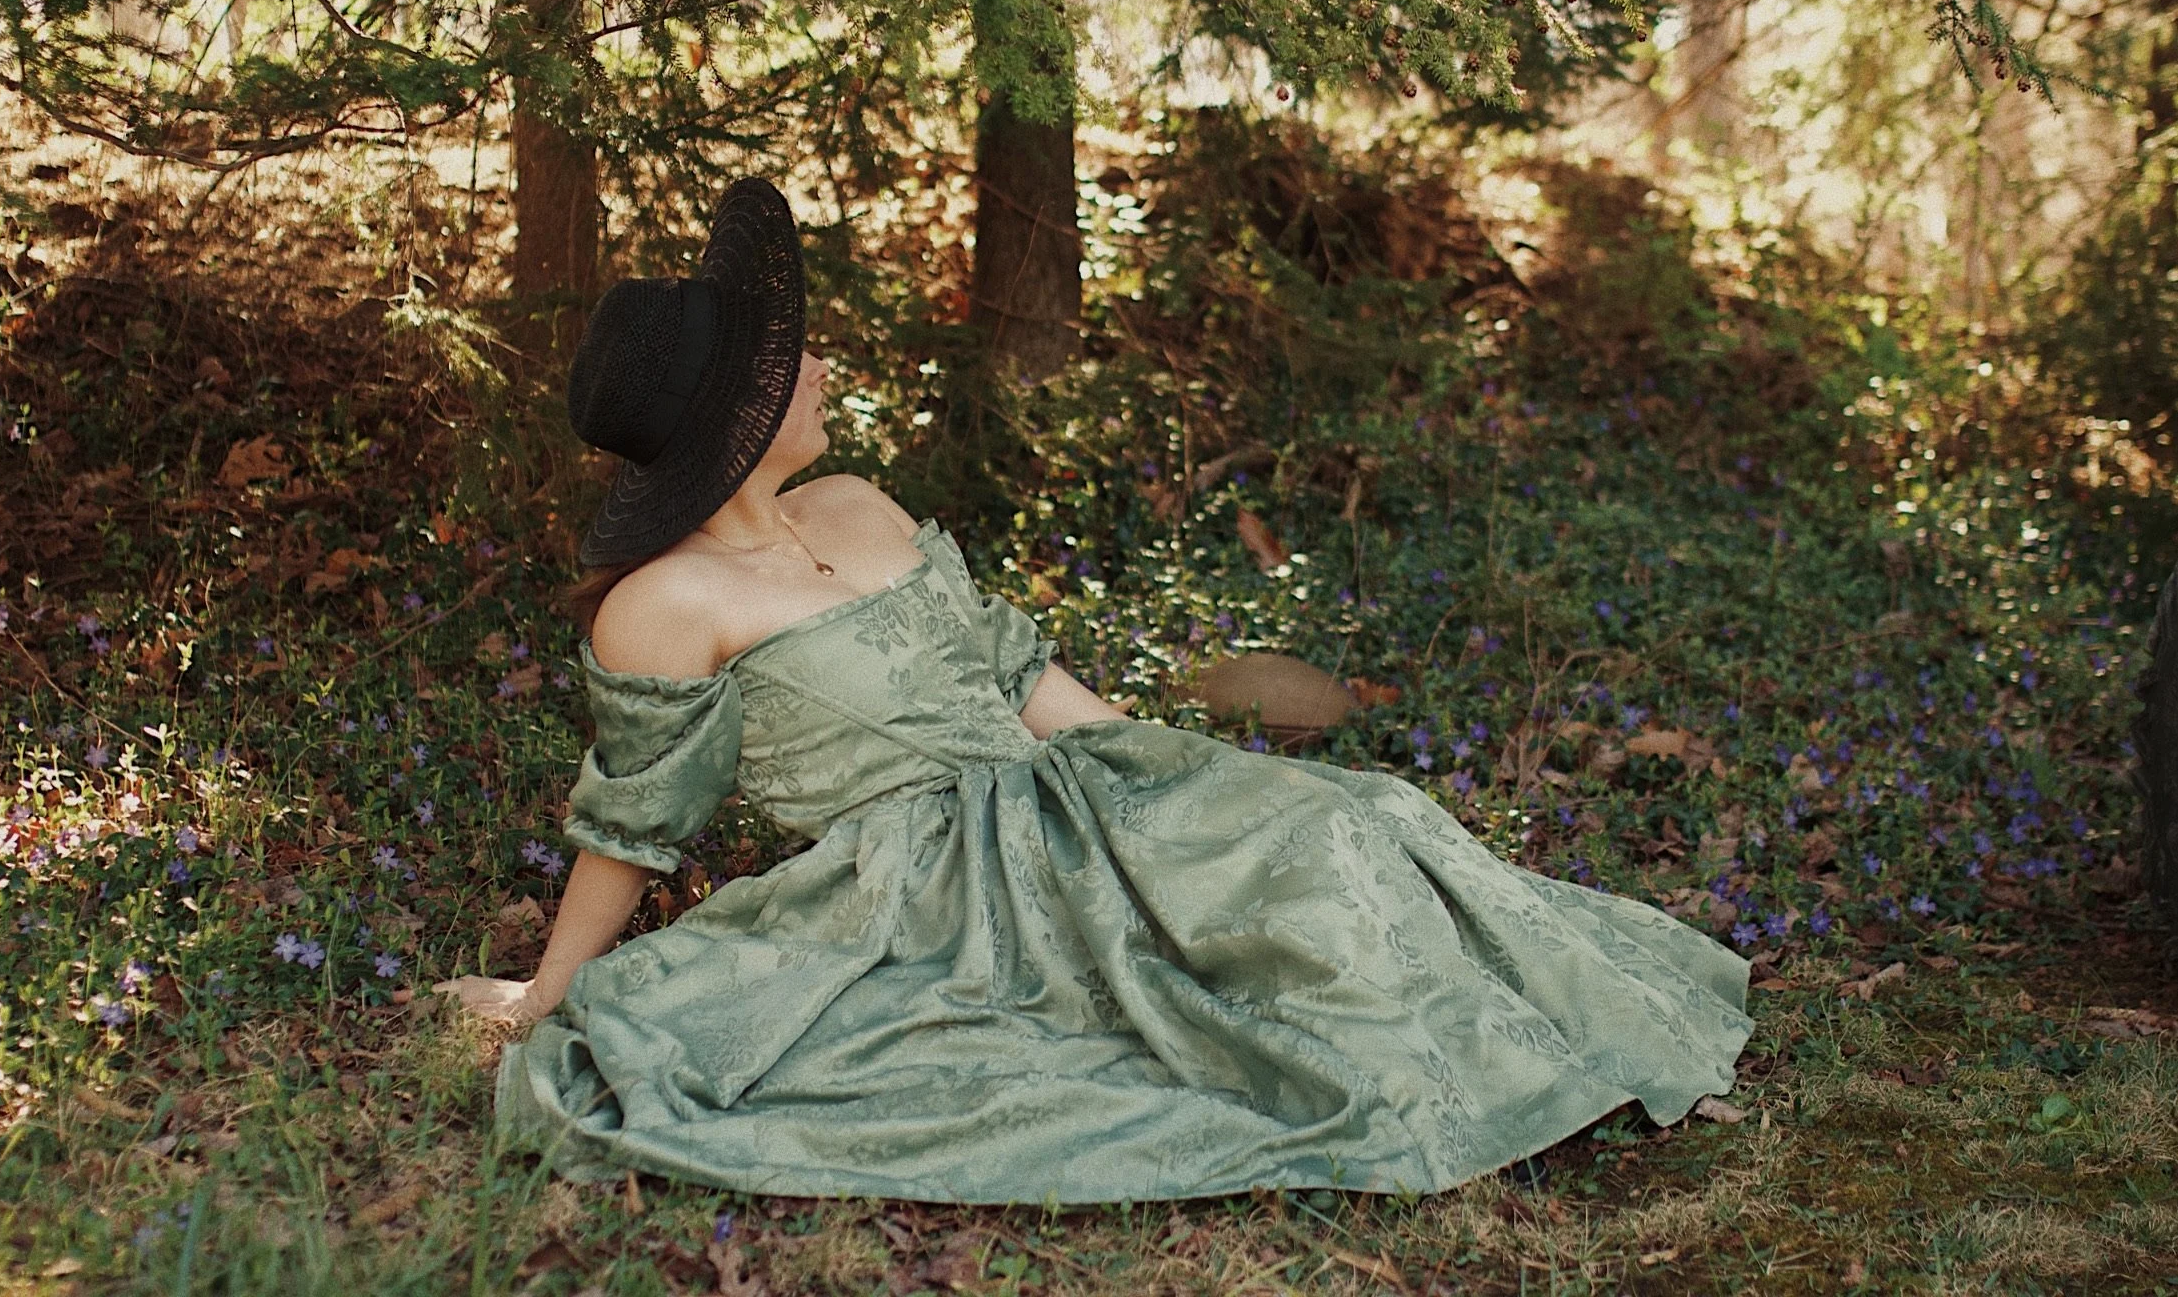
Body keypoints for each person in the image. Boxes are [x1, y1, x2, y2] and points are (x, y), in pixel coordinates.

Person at [439, 178, 1753, 1205]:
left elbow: (1019, 678)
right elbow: (633, 818)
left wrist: (1187, 777)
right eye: (798, 362)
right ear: (742, 407)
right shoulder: (662, 605)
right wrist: (549, 993)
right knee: (1239, 952)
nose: (826, 370)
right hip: (932, 895)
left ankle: (1560, 1056)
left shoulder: (857, 503)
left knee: (1352, 820)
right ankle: (1455, 1087)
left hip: (1070, 798)